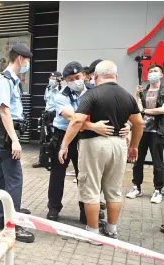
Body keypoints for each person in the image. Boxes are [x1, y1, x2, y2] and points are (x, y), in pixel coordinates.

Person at [59, 60, 144, 239]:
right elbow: (138, 123)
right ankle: (112, 229)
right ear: (116, 76)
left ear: (95, 76)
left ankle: (93, 232)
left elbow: (76, 121)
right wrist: (134, 146)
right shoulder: (127, 96)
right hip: (119, 145)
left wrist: (64, 145)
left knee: (91, 188)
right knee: (114, 190)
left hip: (93, 145)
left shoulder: (91, 95)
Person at [46, 61, 130, 223]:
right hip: (63, 136)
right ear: (65, 80)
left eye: (77, 77)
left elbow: (110, 111)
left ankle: (86, 211)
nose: (75, 81)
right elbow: (72, 118)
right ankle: (54, 208)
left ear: (84, 76)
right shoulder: (60, 96)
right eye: (70, 79)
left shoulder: (95, 92)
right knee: (57, 174)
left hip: (86, 138)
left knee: (85, 176)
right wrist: (93, 126)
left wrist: (125, 126)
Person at [0, 44, 34, 243]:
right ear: (20, 59)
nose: (28, 65)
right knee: (15, 178)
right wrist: (15, 140)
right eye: (27, 61)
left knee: (2, 177)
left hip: (5, 133)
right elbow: (4, 112)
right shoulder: (4, 81)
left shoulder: (12, 81)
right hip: (5, 135)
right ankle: (12, 225)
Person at [126, 64, 164, 203]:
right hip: (142, 130)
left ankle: (157, 190)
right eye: (150, 71)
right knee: (137, 160)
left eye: (155, 71)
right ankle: (136, 187)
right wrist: (137, 95)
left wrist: (145, 111)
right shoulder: (144, 90)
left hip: (157, 131)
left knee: (157, 162)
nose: (152, 73)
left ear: (161, 75)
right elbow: (136, 108)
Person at [32, 71, 62, 169]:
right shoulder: (48, 88)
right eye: (50, 78)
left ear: (59, 80)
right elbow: (46, 101)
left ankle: (54, 161)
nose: (51, 80)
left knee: (54, 139)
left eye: (53, 78)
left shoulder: (62, 90)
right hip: (47, 114)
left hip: (56, 115)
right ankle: (42, 160)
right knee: (43, 138)